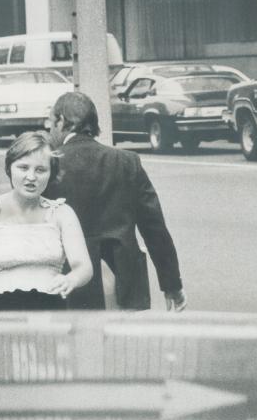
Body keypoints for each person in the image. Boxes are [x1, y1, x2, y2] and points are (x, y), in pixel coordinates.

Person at [44, 90, 187, 312]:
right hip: (124, 279)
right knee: (120, 344)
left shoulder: (49, 166)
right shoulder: (127, 162)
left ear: (62, 121)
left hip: (68, 279)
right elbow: (154, 228)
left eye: (52, 123)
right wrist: (172, 285)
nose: (51, 130)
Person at [0, 129, 92, 312]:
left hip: (50, 314)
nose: (31, 177)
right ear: (9, 168)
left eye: (40, 170)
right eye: (23, 167)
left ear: (51, 173)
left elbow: (83, 267)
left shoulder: (62, 213)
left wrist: (70, 279)